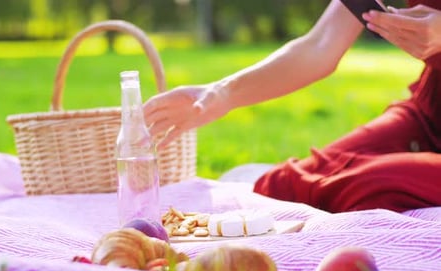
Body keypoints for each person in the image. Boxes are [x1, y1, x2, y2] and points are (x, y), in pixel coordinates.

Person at [143, 0, 441, 213]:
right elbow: (321, 45)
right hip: (429, 114)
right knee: (287, 185)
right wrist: (220, 94)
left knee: (368, 183)